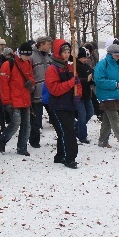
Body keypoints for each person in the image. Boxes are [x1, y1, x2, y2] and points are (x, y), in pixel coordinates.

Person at [45, 39, 82, 168]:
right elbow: (54, 89)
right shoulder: (52, 69)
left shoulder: (70, 67)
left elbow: (77, 83)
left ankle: (60, 155)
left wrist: (78, 94)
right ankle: (69, 157)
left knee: (65, 131)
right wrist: (71, 83)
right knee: (68, 131)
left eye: (68, 52)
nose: (66, 54)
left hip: (69, 104)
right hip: (58, 105)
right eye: (64, 52)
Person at [0, 42, 35, 156]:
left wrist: (31, 83)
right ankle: (2, 140)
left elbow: (31, 77)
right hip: (13, 100)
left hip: (25, 99)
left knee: (26, 125)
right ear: (20, 53)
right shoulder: (8, 64)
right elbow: (3, 85)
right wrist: (7, 102)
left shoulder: (27, 63)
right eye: (26, 55)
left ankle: (22, 147)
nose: (28, 58)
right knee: (15, 123)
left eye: (29, 55)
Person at [93, 43, 119, 151]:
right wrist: (116, 85)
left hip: (116, 95)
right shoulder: (102, 65)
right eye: (116, 55)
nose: (118, 57)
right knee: (115, 118)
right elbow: (99, 81)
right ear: (110, 54)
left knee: (107, 120)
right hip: (106, 96)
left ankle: (102, 141)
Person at [29, 36, 53, 148]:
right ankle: (34, 141)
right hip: (37, 92)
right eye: (48, 44)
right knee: (36, 119)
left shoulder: (49, 57)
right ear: (41, 44)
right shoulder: (31, 56)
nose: (49, 47)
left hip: (49, 91)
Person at [75, 46, 95, 144]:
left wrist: (92, 80)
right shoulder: (75, 66)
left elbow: (91, 78)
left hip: (87, 94)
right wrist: (86, 80)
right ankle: (82, 135)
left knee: (90, 112)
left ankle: (77, 127)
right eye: (84, 58)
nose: (86, 60)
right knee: (82, 115)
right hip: (79, 94)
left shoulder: (87, 66)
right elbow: (75, 80)